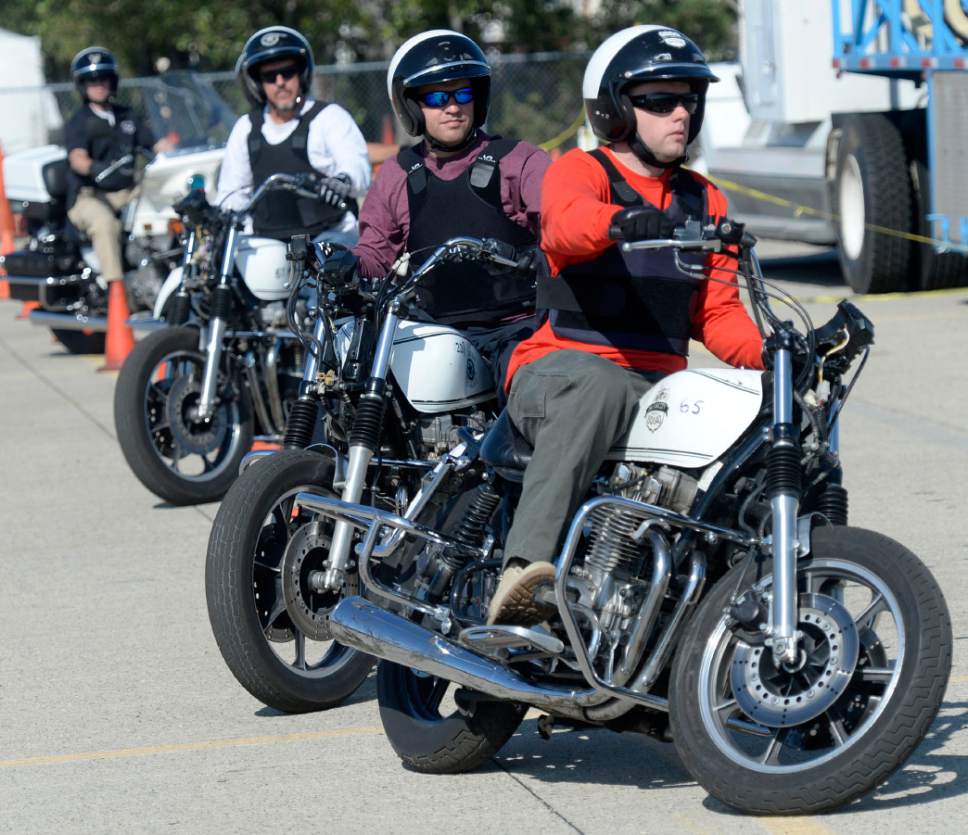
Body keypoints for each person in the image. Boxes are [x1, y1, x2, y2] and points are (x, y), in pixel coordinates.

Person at [486, 25, 765, 626]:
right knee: (601, 386)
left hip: (655, 388)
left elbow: (716, 316)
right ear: (614, 108)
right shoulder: (581, 172)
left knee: (764, 415)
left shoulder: (704, 201)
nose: (681, 113)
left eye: (689, 99)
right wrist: (620, 224)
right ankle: (522, 569)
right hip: (554, 369)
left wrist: (781, 352)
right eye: (660, 101)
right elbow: (564, 225)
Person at [352, 29, 551, 383]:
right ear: (412, 106)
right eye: (437, 97)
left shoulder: (519, 160)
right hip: (431, 331)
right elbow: (374, 255)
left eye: (462, 93)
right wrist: (343, 263)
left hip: (516, 328)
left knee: (532, 392)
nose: (454, 107)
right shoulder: (398, 173)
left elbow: (561, 226)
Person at [216, 26, 370, 247]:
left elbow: (356, 166)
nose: (280, 82)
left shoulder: (329, 117)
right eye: (269, 76)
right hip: (265, 243)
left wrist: (342, 180)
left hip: (328, 239)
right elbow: (232, 193)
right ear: (258, 83)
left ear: (301, 73)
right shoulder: (246, 127)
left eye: (287, 72)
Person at [64, 47, 175, 285]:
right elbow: (77, 158)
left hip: (128, 191)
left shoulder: (127, 116)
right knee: (105, 223)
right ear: (82, 85)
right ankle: (116, 288)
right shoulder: (79, 122)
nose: (98, 84)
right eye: (91, 80)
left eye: (103, 79)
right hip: (90, 196)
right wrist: (94, 168)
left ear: (112, 81)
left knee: (170, 206)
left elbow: (156, 145)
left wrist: (179, 146)